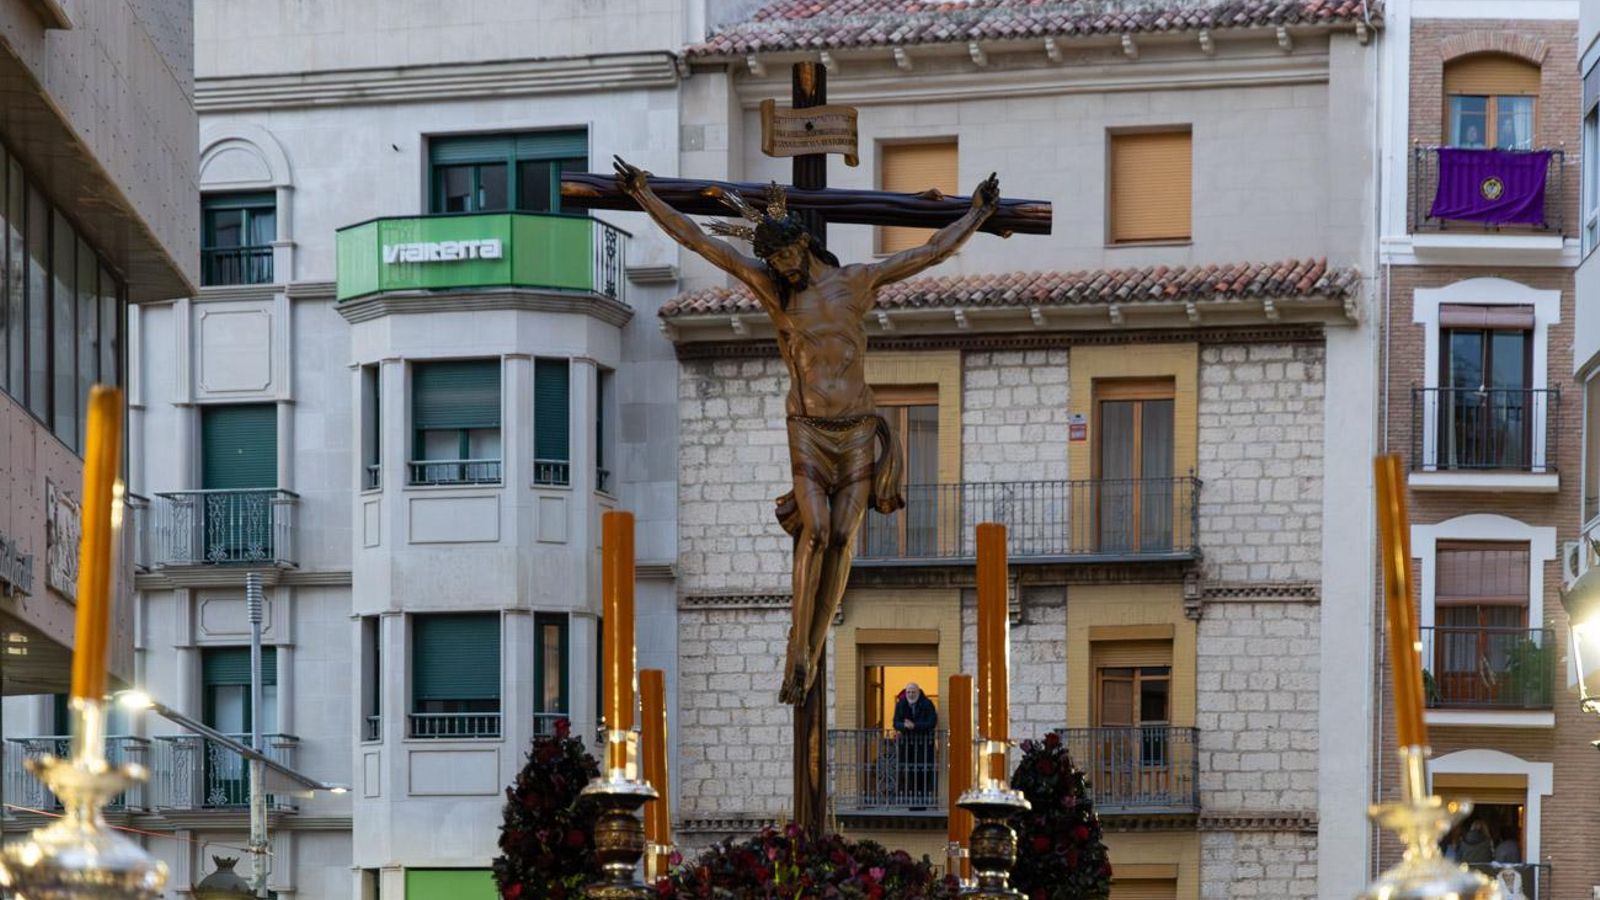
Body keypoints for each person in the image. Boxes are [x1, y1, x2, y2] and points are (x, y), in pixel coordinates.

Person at [614, 156, 1001, 705]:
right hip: (808, 429)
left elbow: (928, 252)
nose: (781, 267)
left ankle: (813, 652)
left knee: (843, 538)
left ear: (804, 243)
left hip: (859, 428)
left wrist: (978, 213)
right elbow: (703, 243)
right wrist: (646, 197)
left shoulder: (856, 283)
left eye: (785, 255)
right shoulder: (776, 294)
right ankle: (798, 649)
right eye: (771, 260)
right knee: (815, 530)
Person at [893, 682, 938, 807]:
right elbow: (895, 722)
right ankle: (910, 801)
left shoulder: (927, 704)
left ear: (918, 692)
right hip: (907, 746)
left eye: (913, 692)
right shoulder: (901, 705)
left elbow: (932, 722)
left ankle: (922, 802)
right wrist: (904, 726)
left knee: (923, 773)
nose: (911, 694)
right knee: (909, 773)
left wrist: (915, 726)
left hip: (924, 746)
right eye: (908, 692)